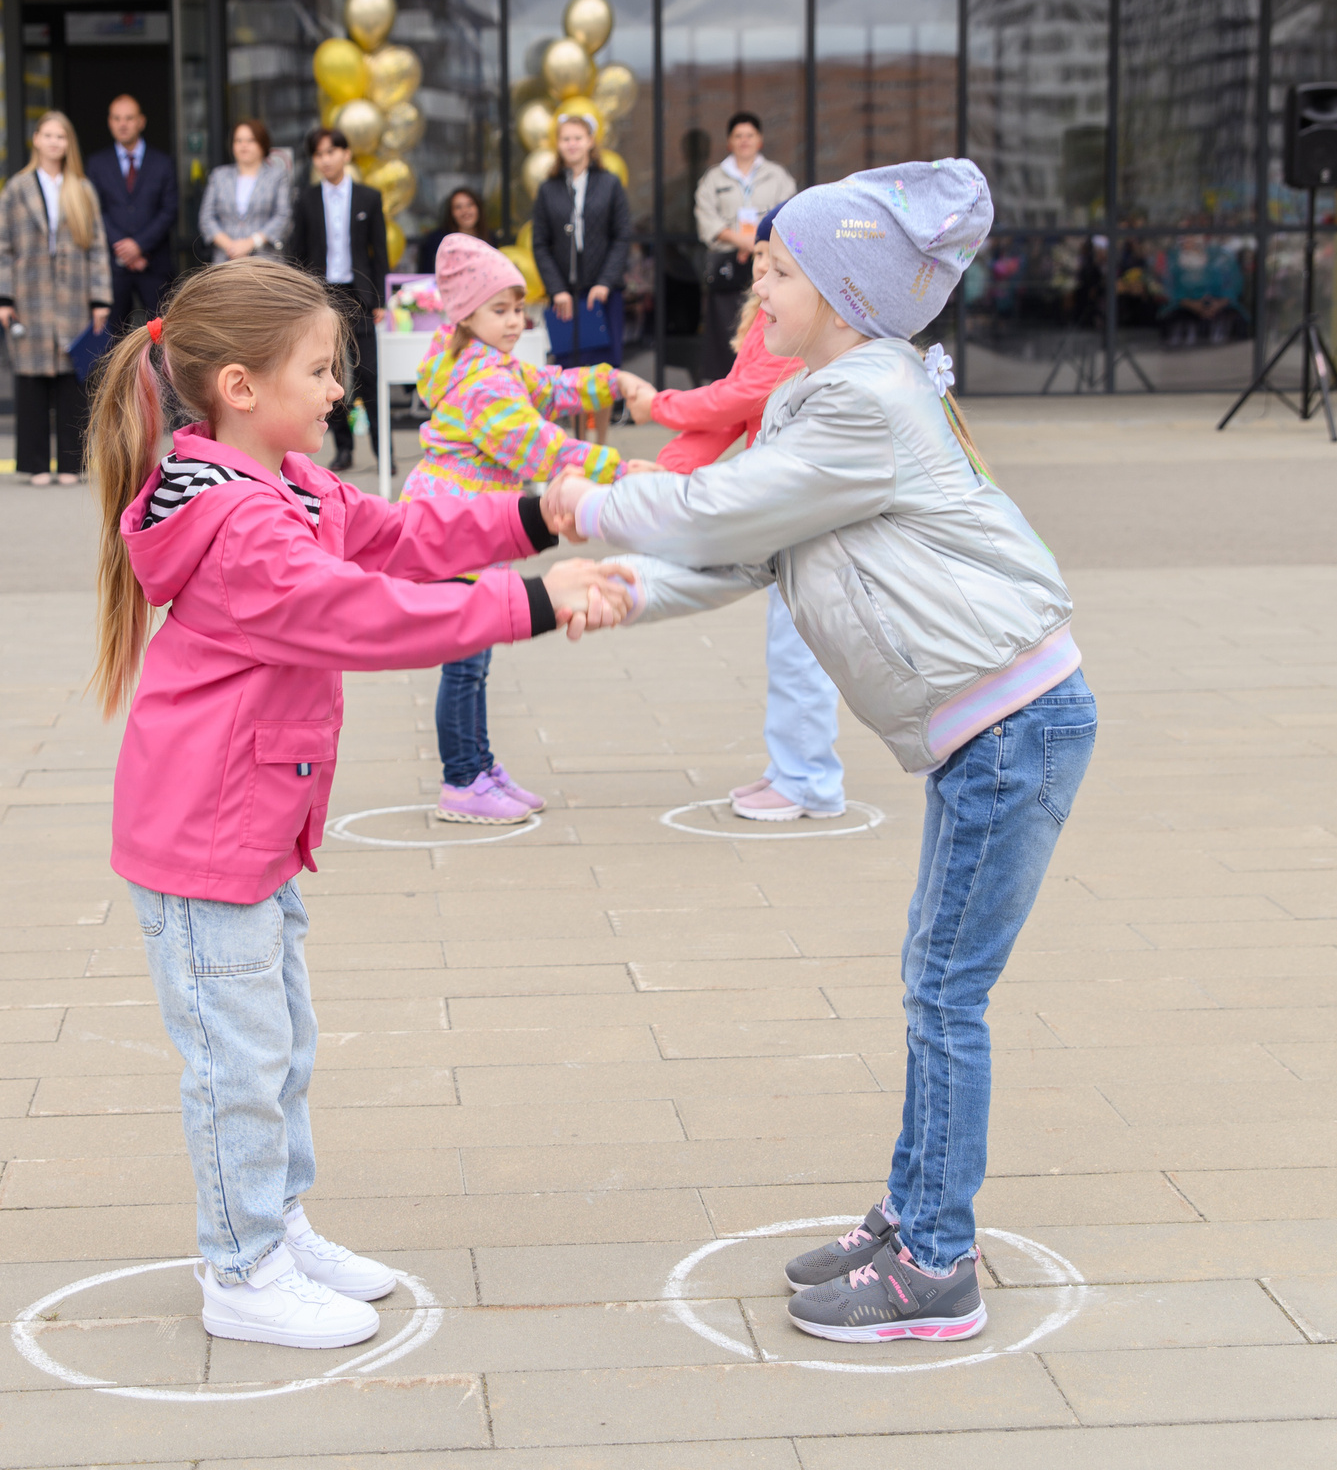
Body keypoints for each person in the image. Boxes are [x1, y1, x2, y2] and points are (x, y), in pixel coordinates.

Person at [548, 160, 1093, 1346]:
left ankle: (936, 1264)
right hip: (990, 723)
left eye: (781, 271)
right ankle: (911, 1214)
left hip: (1013, 721)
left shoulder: (865, 404)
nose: (759, 289)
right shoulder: (823, 396)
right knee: (932, 980)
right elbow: (746, 552)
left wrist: (592, 506)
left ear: (846, 296)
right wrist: (621, 590)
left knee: (945, 991)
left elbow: (716, 510)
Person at [85, 256, 633, 1351]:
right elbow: (363, 612)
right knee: (238, 1065)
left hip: (250, 827)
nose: (340, 389)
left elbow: (401, 539)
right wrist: (529, 602)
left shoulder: (289, 483)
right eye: (321, 370)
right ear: (240, 387)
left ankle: (277, 1227)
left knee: (279, 1047)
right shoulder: (241, 523)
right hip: (205, 836)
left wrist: (539, 513)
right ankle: (242, 1268)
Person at [400, 234, 656, 825]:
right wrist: (618, 469)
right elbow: (540, 448)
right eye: (500, 310)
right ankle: (462, 780)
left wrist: (613, 382)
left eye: (519, 308)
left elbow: (551, 387)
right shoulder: (483, 382)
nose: (515, 321)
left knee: (476, 654)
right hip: (455, 529)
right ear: (466, 314)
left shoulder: (489, 363)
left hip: (468, 525)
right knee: (466, 659)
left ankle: (479, 765)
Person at [622, 201, 845, 824]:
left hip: (805, 505)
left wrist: (658, 406)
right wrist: (665, 472)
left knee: (800, 646)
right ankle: (794, 767)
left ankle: (809, 780)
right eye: (759, 259)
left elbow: (738, 397)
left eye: (779, 265)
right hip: (781, 504)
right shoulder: (766, 321)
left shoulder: (805, 329)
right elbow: (734, 415)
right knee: (789, 643)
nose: (761, 276)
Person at [0, 110, 112, 485]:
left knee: (71, 381)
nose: (54, 142)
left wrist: (100, 299)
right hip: (30, 294)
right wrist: (2, 298)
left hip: (74, 293)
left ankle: (72, 464)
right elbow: (1, 246)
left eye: (61, 136)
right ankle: (36, 463)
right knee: (32, 380)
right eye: (48, 135)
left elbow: (98, 248)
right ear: (36, 140)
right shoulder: (17, 188)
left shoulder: (82, 189)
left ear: (68, 143)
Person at [285, 128, 391, 472]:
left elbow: (379, 252)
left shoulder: (368, 197)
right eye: (319, 154)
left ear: (345, 154)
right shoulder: (306, 199)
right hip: (322, 295)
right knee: (329, 373)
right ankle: (343, 449)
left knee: (369, 372)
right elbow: (297, 251)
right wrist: (299, 298)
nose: (325, 159)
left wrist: (380, 299)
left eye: (331, 151)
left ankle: (383, 450)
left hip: (360, 295)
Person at [691, 111, 796, 385]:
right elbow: (706, 220)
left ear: (760, 140)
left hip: (768, 262)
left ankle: (759, 383)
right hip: (728, 266)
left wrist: (759, 246)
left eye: (750, 135)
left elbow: (788, 213)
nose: (744, 141)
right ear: (729, 142)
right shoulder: (714, 178)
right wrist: (743, 242)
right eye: (738, 136)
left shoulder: (777, 176)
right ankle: (726, 388)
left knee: (765, 323)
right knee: (725, 334)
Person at [530, 114, 635, 377]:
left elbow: (622, 236)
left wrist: (605, 283)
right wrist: (557, 289)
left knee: (604, 372)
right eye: (566, 139)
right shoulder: (548, 189)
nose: (572, 144)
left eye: (577, 138)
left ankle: (605, 411)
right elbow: (540, 243)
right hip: (564, 298)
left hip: (602, 295)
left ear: (590, 141)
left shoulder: (610, 183)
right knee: (568, 371)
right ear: (558, 144)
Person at [89, 94, 180, 334]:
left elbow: (169, 211)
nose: (123, 124)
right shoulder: (96, 164)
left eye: (129, 118)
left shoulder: (163, 163)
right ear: (109, 122)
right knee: (112, 340)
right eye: (117, 118)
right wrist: (124, 249)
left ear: (141, 121)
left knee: (163, 336)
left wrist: (139, 246)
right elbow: (96, 212)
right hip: (113, 267)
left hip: (154, 264)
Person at [201, 119, 295, 264]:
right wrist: (231, 247)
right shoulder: (219, 176)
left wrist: (250, 243)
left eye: (250, 140)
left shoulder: (277, 176)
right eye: (238, 141)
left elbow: (283, 216)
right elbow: (206, 218)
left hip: (265, 259)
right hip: (226, 260)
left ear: (262, 143)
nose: (243, 145)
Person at [418, 187, 497, 271]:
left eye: (470, 205)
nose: (465, 211)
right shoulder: (436, 240)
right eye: (458, 207)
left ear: (478, 208)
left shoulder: (491, 238)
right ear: (451, 213)